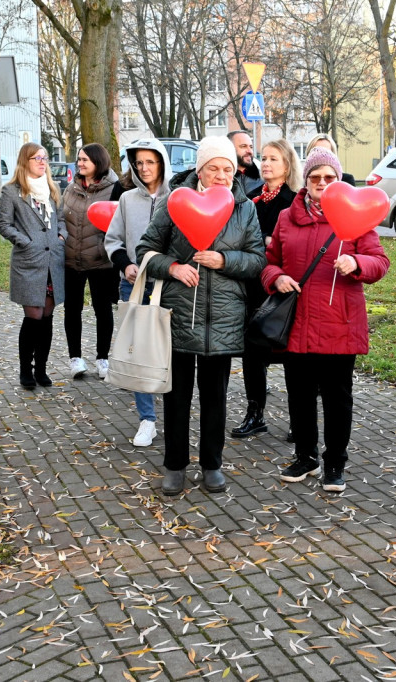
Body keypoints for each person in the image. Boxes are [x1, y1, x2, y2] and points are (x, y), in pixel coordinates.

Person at [136, 136, 265, 495]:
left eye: (228, 169)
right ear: (200, 170)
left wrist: (225, 260)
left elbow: (257, 260)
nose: (222, 175)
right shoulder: (175, 201)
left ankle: (212, 464)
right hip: (180, 314)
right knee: (176, 397)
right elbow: (145, 250)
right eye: (214, 168)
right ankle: (175, 466)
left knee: (215, 398)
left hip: (223, 318)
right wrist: (173, 268)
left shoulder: (244, 208)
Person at [263, 148, 389, 492]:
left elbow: (379, 261)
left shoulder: (355, 216)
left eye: (329, 177)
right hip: (297, 323)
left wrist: (358, 263)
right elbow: (270, 261)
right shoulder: (287, 217)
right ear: (305, 181)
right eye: (315, 177)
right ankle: (305, 457)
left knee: (337, 399)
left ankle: (335, 462)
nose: (322, 182)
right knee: (299, 396)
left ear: (338, 180)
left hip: (339, 323)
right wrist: (276, 277)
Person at [232, 138, 303, 438]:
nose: (266, 163)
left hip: (281, 288)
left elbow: (290, 246)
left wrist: (264, 242)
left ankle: (298, 420)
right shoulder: (251, 199)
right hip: (251, 286)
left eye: (274, 159)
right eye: (264, 158)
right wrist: (264, 240)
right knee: (252, 355)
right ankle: (255, 414)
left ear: (287, 165)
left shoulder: (294, 201)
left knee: (290, 358)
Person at [106, 139, 172, 448]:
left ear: (162, 163)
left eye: (150, 162)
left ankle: (174, 412)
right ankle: (147, 419)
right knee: (138, 352)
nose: (144, 168)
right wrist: (125, 264)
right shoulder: (127, 199)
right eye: (139, 163)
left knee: (169, 352)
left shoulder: (177, 197)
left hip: (169, 286)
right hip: (133, 284)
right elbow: (113, 239)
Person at [0, 143, 67, 389]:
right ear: (24, 161)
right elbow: (4, 225)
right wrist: (26, 242)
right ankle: (25, 370)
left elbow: (61, 220)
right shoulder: (11, 191)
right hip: (29, 262)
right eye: (36, 158)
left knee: (47, 316)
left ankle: (42, 369)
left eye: (44, 158)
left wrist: (61, 237)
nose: (42, 162)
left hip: (53, 261)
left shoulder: (52, 188)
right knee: (33, 316)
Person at [62, 143, 120, 381]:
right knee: (72, 309)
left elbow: (119, 225)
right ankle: (75, 358)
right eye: (79, 159)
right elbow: (62, 217)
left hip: (101, 262)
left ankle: (103, 358)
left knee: (102, 310)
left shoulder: (115, 189)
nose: (80, 163)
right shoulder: (71, 187)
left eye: (85, 159)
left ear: (98, 161)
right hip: (72, 260)